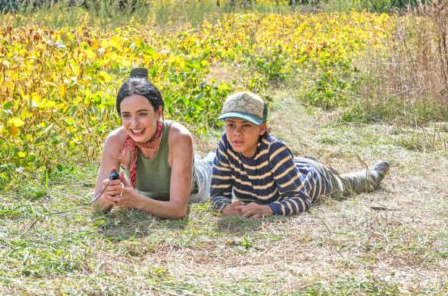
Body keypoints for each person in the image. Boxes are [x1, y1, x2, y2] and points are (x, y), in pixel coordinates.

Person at [211, 91, 390, 217]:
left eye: (246, 125)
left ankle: (374, 174)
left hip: (317, 178)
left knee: (347, 184)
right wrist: (225, 207)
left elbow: (301, 200)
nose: (236, 132)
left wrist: (267, 209)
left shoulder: (275, 150)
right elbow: (218, 193)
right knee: (292, 167)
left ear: (262, 129)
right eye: (231, 124)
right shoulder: (226, 144)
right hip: (294, 166)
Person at [92, 68, 213, 219]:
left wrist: (136, 201)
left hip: (204, 179)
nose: (134, 124)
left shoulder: (179, 137)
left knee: (214, 162)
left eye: (142, 114)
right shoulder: (116, 141)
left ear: (159, 112)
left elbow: (178, 210)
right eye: (126, 115)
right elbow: (96, 206)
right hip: (163, 183)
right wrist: (107, 197)